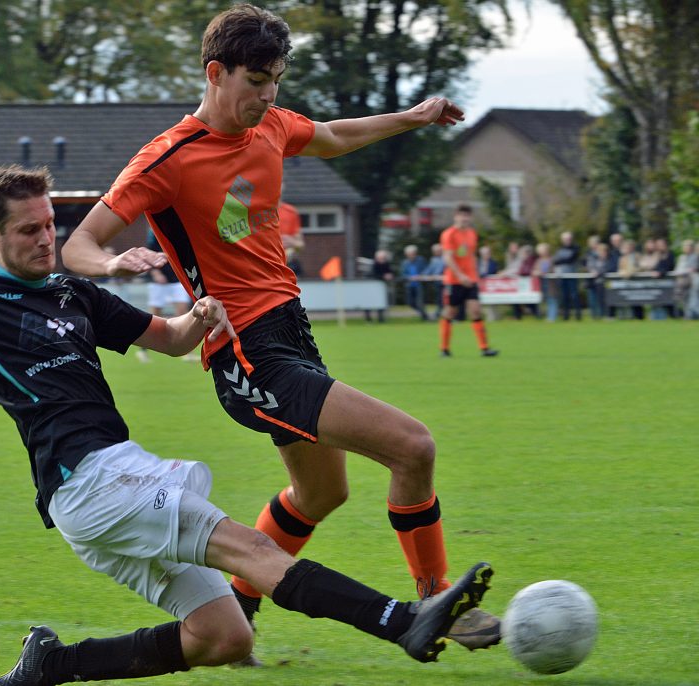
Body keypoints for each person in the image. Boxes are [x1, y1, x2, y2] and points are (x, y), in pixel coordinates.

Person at [0, 165, 495, 685]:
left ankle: (55, 664)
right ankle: (402, 621)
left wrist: (199, 318)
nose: (46, 239)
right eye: (28, 230)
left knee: (221, 636)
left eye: (52, 224)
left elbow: (170, 340)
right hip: (88, 482)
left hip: (113, 478)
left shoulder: (73, 290)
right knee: (245, 547)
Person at [60, 3, 500, 664]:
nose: (267, 96)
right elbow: (79, 245)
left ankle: (238, 616)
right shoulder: (168, 158)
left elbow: (333, 135)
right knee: (413, 446)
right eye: (256, 81)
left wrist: (410, 118)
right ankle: (433, 596)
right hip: (247, 355)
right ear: (216, 72)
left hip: (292, 336)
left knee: (322, 493)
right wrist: (114, 261)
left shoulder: (270, 127)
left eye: (276, 82)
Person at [438, 205, 499, 357]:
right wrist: (460, 276)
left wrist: (474, 275)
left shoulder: (472, 233)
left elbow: (470, 255)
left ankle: (484, 348)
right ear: (455, 216)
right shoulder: (449, 234)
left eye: (467, 215)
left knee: (476, 310)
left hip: (471, 279)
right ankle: (444, 348)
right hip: (454, 280)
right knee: (451, 312)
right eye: (461, 215)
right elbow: (448, 257)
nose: (464, 218)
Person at [137, 228, 195, 363]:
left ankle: (187, 352)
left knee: (184, 312)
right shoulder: (154, 232)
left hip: (176, 280)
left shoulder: (179, 230)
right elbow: (147, 254)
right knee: (155, 317)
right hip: (159, 283)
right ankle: (142, 351)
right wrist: (156, 273)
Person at [552, 231, 582, 321]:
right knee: (564, 296)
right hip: (562, 275)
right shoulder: (559, 249)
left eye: (569, 239)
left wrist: (561, 260)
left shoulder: (576, 248)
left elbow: (571, 259)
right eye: (565, 239)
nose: (567, 241)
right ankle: (566, 315)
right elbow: (555, 261)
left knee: (574, 295)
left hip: (572, 275)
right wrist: (561, 260)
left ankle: (578, 316)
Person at [401, 244, 428, 321]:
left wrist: (420, 276)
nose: (411, 255)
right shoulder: (405, 263)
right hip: (409, 285)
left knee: (420, 302)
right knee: (410, 302)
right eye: (409, 254)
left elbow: (426, 270)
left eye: (413, 253)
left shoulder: (421, 260)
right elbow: (403, 274)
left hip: (419, 285)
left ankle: (424, 317)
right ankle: (423, 313)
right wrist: (409, 277)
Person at [368, 249, 395, 322]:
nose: (382, 259)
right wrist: (383, 276)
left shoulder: (386, 264)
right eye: (381, 258)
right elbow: (373, 275)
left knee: (381, 303)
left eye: (384, 258)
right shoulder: (374, 265)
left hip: (382, 288)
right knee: (369, 303)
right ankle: (368, 318)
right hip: (372, 288)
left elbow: (391, 272)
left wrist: (390, 275)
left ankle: (381, 318)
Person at [423, 243, 446, 320]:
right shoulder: (433, 259)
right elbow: (429, 270)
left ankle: (445, 315)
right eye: (435, 251)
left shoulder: (445, 258)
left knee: (446, 300)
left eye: (438, 250)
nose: (436, 252)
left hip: (446, 282)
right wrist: (422, 275)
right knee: (439, 299)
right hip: (437, 282)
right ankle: (439, 313)